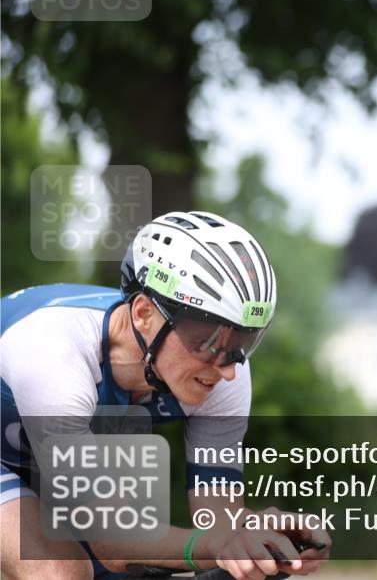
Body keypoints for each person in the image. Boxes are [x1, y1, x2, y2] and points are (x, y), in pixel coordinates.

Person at [1, 211, 331, 580]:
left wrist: (256, 541)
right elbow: (111, 540)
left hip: (51, 457)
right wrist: (215, 547)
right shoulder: (53, 353)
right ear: (144, 314)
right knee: (59, 571)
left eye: (242, 343)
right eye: (207, 340)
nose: (227, 367)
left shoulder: (222, 373)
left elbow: (218, 522)